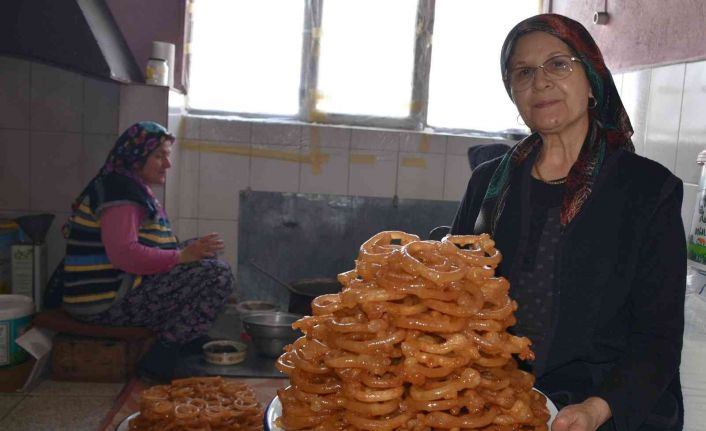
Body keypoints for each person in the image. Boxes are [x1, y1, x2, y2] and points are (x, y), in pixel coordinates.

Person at [451, 14, 685, 431]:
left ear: (591, 80)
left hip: (600, 402)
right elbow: (453, 299)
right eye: (523, 72)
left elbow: (658, 336)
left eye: (558, 64)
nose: (540, 82)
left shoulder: (649, 190)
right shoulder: (488, 182)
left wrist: (599, 407)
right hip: (491, 395)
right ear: (513, 93)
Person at [61, 121, 234, 381]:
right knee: (218, 275)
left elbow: (145, 247)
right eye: (159, 156)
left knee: (206, 255)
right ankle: (161, 357)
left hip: (115, 291)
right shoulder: (120, 193)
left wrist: (188, 251)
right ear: (135, 157)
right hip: (103, 303)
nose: (167, 164)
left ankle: (181, 339)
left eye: (167, 156)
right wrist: (181, 256)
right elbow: (124, 255)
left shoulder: (124, 185)